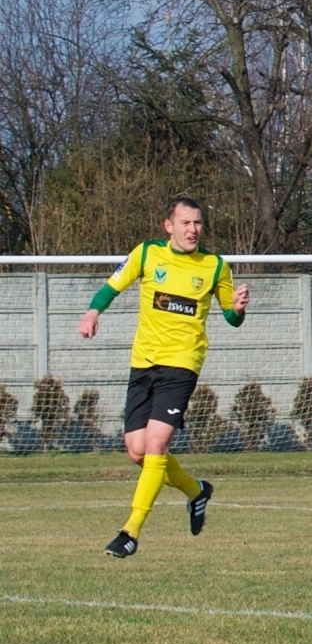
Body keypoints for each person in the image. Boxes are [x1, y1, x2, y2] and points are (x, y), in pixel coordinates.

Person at [79, 197, 242, 558]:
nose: (193, 230)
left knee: (156, 446)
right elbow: (112, 286)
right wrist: (93, 312)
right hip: (144, 364)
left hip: (182, 365)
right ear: (168, 226)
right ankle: (197, 490)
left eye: (198, 223)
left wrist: (238, 309)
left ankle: (130, 531)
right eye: (185, 223)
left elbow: (231, 317)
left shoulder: (216, 266)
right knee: (137, 451)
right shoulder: (147, 253)